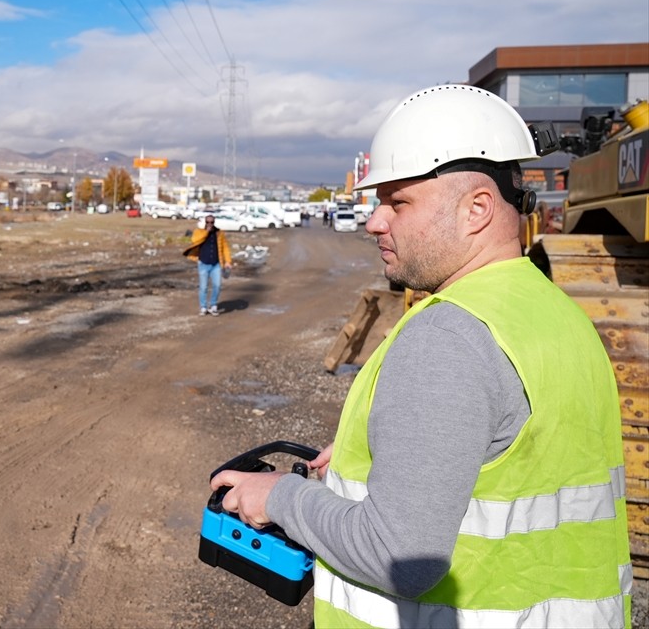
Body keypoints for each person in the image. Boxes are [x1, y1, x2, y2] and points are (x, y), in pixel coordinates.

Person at [211, 85, 630, 627]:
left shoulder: (449, 335)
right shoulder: (552, 310)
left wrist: (280, 498)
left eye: (398, 202)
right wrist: (395, 452)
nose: (374, 221)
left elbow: (398, 556)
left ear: (477, 209)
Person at [183, 214, 231, 315]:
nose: (210, 224)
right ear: (205, 222)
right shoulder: (199, 231)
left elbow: (225, 247)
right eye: (208, 222)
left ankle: (213, 305)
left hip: (216, 264)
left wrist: (227, 261)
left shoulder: (219, 233)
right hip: (203, 263)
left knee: (217, 286)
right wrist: (206, 232)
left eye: (211, 222)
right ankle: (203, 307)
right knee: (203, 287)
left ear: (214, 222)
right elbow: (194, 240)